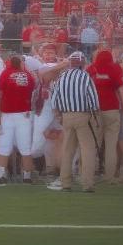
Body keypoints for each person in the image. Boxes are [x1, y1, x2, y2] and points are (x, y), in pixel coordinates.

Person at [49, 51, 99, 193]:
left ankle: (65, 183)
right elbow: (93, 100)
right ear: (82, 63)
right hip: (83, 116)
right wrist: (94, 115)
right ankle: (87, 184)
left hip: (67, 117)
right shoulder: (85, 76)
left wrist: (59, 115)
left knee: (67, 150)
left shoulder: (62, 77)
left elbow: (54, 100)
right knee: (87, 150)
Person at [0, 55, 36, 184]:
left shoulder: (5, 74)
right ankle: (27, 176)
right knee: (25, 148)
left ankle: (1, 176)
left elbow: (0, 94)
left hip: (8, 115)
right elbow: (32, 89)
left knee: (4, 146)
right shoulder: (28, 76)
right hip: (24, 115)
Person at [87, 49, 123, 184]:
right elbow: (122, 90)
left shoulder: (91, 69)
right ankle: (109, 177)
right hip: (112, 110)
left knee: (93, 145)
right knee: (111, 146)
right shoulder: (115, 69)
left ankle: (89, 175)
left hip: (95, 111)